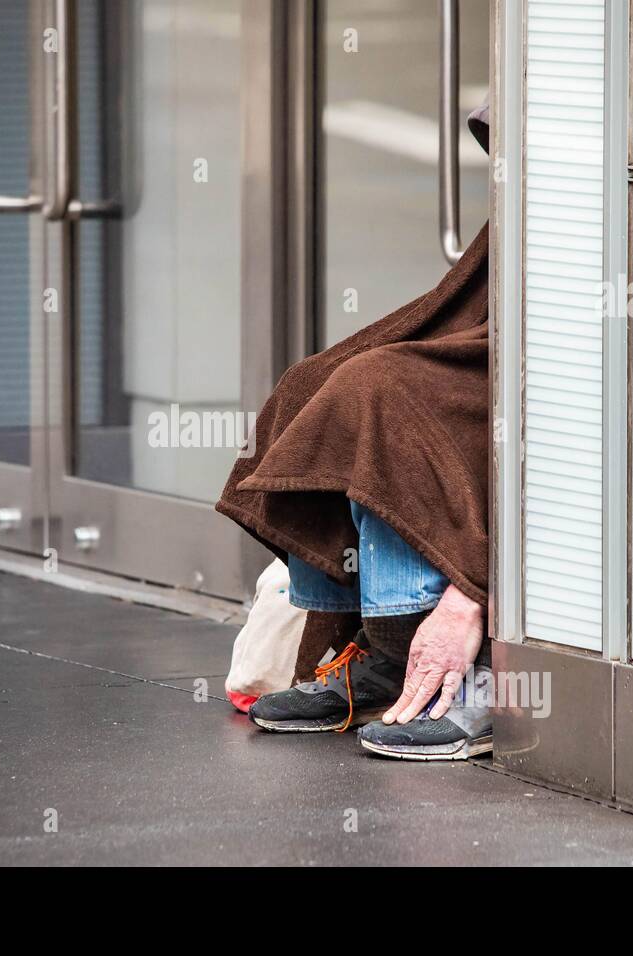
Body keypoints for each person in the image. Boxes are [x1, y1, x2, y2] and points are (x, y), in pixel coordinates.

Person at [215, 105, 493, 760]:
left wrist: (467, 595)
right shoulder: (534, 203)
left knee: (384, 392)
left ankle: (427, 659)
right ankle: (378, 647)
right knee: (318, 382)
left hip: (551, 382)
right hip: (497, 356)